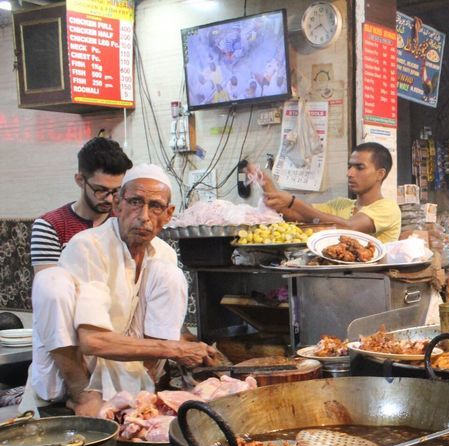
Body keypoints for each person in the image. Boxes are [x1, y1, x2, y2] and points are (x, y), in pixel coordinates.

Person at [22, 164, 217, 417]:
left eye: (155, 206)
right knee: (50, 282)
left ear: (168, 214)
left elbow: (158, 335)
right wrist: (176, 349)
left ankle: (145, 390)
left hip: (123, 371)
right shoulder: (88, 246)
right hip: (73, 371)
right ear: (118, 206)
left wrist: (194, 350)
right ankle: (81, 395)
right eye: (135, 202)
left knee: (170, 275)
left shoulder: (164, 254)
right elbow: (91, 341)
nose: (144, 215)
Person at [250, 142, 401, 243]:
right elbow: (293, 215)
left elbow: (350, 228)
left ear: (380, 174)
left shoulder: (388, 208)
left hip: (373, 284)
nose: (350, 173)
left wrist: (293, 201)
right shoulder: (340, 205)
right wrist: (266, 183)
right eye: (350, 167)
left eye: (359, 167)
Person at [31, 137, 133, 271]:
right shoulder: (49, 226)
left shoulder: (124, 222)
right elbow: (48, 287)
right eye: (101, 190)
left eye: (116, 191)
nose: (109, 199)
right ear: (80, 180)